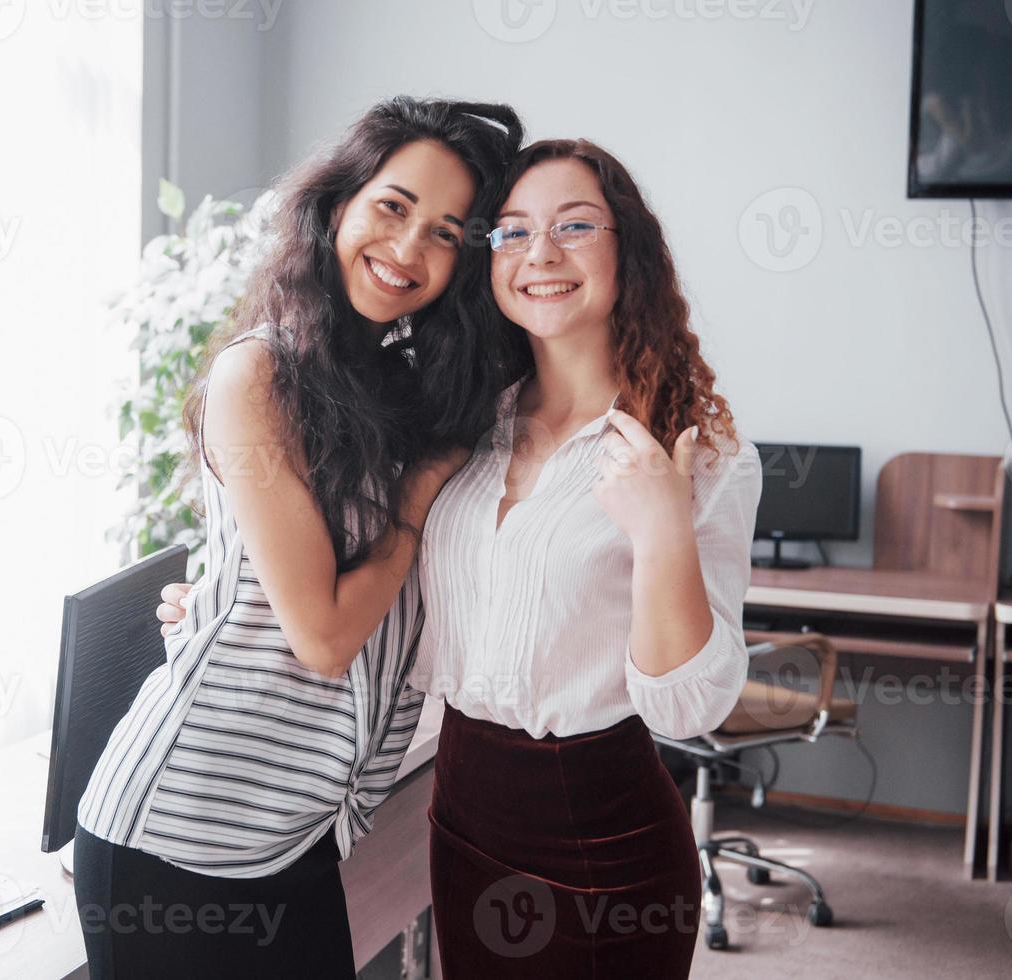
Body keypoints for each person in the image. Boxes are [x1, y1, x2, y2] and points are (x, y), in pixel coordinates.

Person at [161, 136, 761, 979]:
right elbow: (372, 573)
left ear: (631, 249)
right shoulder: (458, 423)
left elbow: (690, 707)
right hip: (464, 811)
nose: (541, 253)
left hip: (605, 825)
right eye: (511, 232)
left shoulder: (700, 453)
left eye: (575, 226)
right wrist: (232, 601)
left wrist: (662, 528)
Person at [73, 96, 523, 980]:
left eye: (445, 233)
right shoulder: (258, 373)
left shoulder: (404, 386)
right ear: (340, 204)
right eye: (393, 208)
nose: (406, 250)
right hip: (180, 833)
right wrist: (420, 496)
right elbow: (321, 636)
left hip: (295, 828)